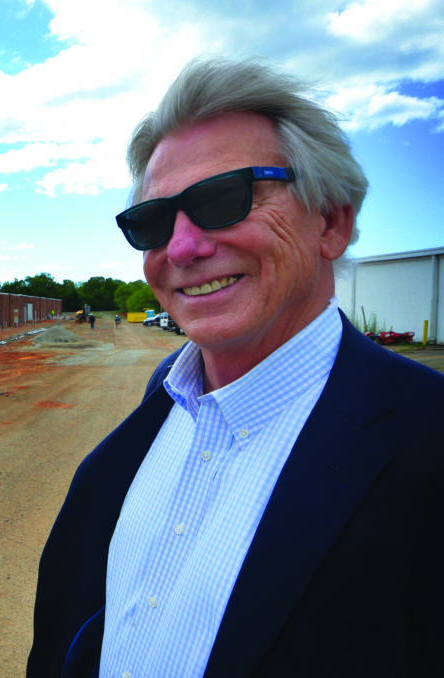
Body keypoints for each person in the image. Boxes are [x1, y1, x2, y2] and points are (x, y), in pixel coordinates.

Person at [28, 57, 444, 678]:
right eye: (153, 221)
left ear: (331, 220)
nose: (183, 248)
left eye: (225, 198)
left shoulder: (428, 441)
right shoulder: (149, 420)